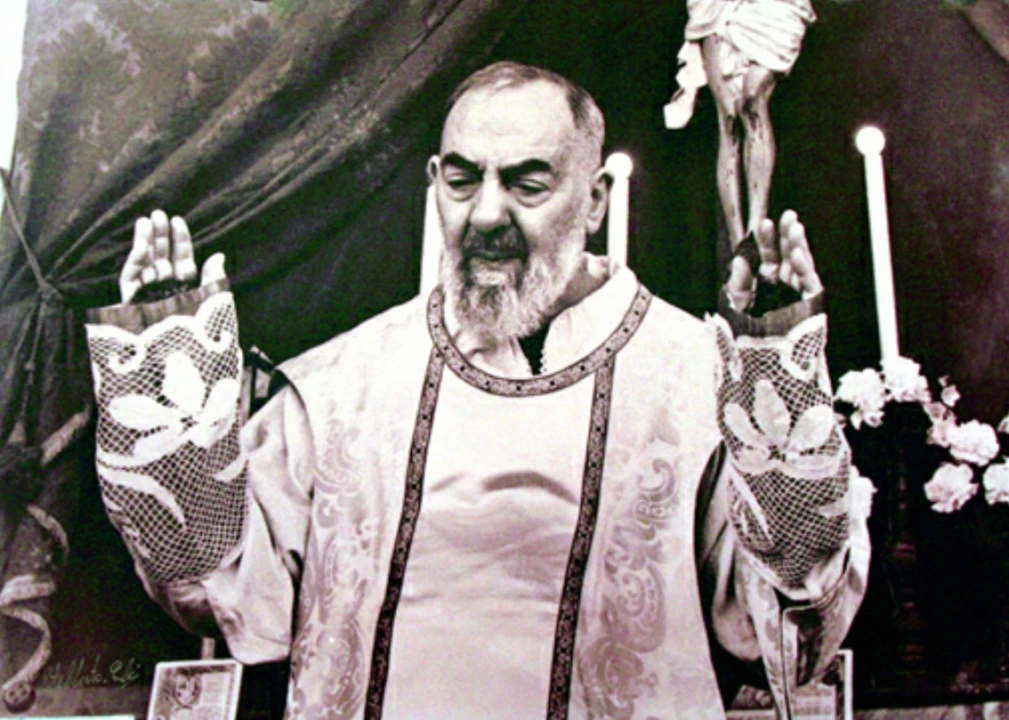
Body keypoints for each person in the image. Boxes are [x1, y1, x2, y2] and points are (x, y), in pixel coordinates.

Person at [85, 62, 869, 719]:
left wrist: (777, 390)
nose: (486, 214)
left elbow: (789, 611)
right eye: (463, 180)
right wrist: (164, 373)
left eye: (527, 183)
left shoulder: (696, 376)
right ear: (435, 182)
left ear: (594, 197)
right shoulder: (340, 386)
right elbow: (219, 588)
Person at [664, 0, 817, 249]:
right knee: (728, 116)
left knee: (752, 100)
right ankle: (738, 244)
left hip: (774, 8)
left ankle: (756, 230)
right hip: (715, 8)